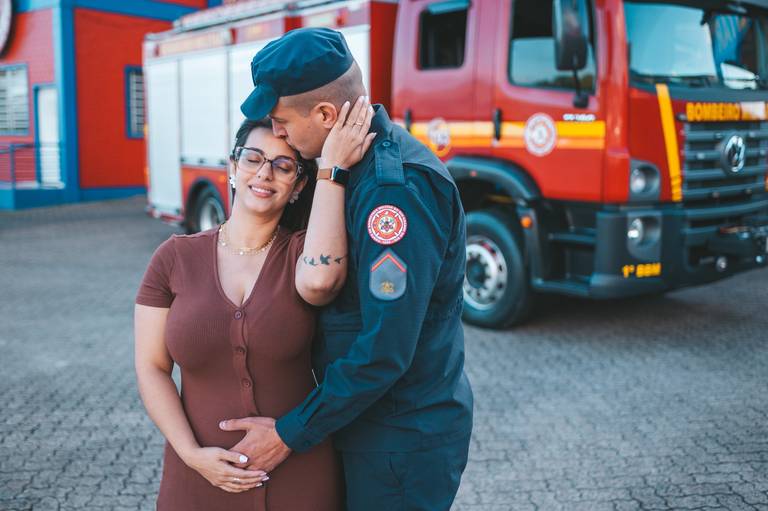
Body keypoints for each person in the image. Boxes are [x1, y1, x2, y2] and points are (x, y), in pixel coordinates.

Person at [220, 27, 474, 510]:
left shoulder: (393, 192)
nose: (277, 133)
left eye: (281, 121)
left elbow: (386, 347)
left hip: (398, 441)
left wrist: (290, 433)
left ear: (325, 115)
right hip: (364, 425)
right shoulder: (343, 168)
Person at [134, 97, 376, 510]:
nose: (265, 173)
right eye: (253, 159)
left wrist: (331, 171)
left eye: (283, 166)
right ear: (233, 167)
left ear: (299, 186)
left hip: (298, 472)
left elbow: (321, 280)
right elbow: (151, 367)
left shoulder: (305, 254)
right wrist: (190, 454)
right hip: (197, 475)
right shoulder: (173, 258)